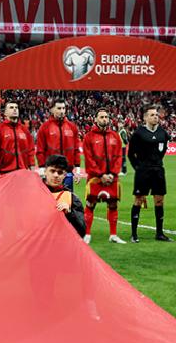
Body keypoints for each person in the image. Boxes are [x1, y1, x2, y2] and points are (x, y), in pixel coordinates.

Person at [128, 105, 171, 242]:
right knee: (139, 199)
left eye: (156, 115)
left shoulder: (163, 133)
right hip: (143, 172)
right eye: (152, 115)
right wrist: (138, 168)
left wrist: (157, 162)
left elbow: (163, 150)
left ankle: (159, 233)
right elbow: (130, 154)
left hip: (158, 170)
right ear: (145, 117)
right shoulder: (138, 133)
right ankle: (134, 234)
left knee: (159, 200)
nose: (155, 117)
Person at [82, 108, 125, 244]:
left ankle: (113, 235)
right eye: (101, 117)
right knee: (90, 204)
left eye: (106, 117)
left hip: (112, 178)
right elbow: (89, 158)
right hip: (95, 177)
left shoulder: (115, 136)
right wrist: (101, 175)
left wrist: (112, 174)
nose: (104, 119)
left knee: (113, 204)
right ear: (95, 119)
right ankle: (87, 234)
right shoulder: (89, 137)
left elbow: (119, 156)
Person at [35, 98, 82, 190]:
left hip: (67, 172)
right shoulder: (44, 127)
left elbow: (76, 149)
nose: (62, 111)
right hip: (52, 172)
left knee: (67, 198)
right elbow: (40, 150)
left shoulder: (72, 127)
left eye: (63, 108)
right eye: (59, 108)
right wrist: (41, 168)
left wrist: (77, 168)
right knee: (50, 198)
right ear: (52, 110)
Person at [42, 154, 86, 238]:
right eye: (52, 171)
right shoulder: (34, 192)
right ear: (45, 171)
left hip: (60, 242)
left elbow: (82, 231)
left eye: (60, 172)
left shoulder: (72, 198)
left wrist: (70, 214)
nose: (56, 175)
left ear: (65, 175)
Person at [0, 101, 35, 178]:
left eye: (16, 108)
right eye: (11, 107)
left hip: (23, 171)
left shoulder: (24, 130)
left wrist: (32, 167)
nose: (14, 109)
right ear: (5, 113)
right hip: (5, 172)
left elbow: (30, 150)